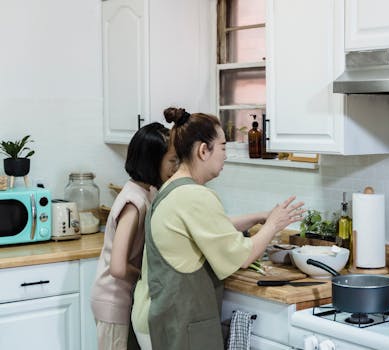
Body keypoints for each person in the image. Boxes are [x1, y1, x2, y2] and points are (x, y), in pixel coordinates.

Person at [131, 107, 305, 350]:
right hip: (176, 324)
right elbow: (242, 256)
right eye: (223, 147)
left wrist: (259, 217)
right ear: (203, 150)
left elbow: (209, 227)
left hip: (156, 316)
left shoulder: (172, 188)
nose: (226, 155)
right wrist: (274, 223)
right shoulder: (195, 195)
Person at [91, 122, 178, 350]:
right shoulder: (133, 202)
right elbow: (118, 268)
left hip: (123, 301)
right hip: (113, 303)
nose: (175, 167)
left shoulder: (146, 191)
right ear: (152, 161)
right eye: (171, 160)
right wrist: (147, 276)